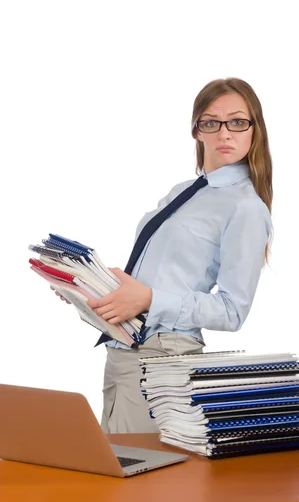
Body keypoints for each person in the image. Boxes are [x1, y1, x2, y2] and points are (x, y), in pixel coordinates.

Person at [62, 77, 273, 434]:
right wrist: (92, 289)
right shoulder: (184, 192)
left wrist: (149, 299)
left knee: (145, 482)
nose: (225, 133)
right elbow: (158, 277)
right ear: (197, 131)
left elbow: (232, 311)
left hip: (164, 357)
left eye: (237, 122)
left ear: (254, 130)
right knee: (118, 478)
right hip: (126, 350)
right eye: (212, 122)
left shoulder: (245, 207)